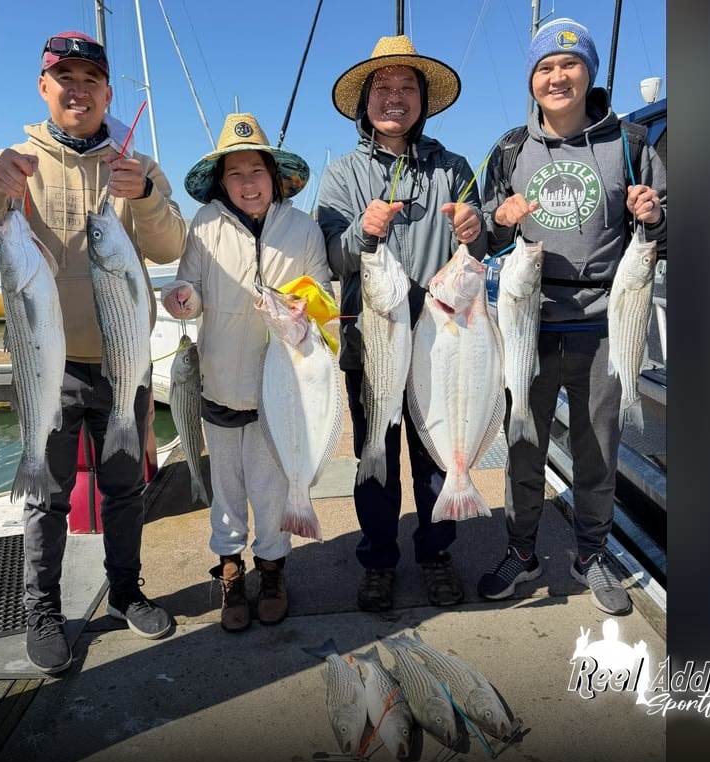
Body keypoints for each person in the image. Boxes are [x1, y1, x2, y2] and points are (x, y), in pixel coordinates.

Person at [0, 31, 187, 673]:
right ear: (44, 89)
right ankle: (41, 610)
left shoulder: (139, 164)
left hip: (124, 364)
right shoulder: (10, 160)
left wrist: (146, 198)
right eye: (63, 78)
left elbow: (168, 246)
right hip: (49, 366)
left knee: (126, 491)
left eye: (90, 80)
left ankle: (126, 590)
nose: (77, 89)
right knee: (46, 495)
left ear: (106, 92)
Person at [476, 18, 666, 615]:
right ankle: (521, 550)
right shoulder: (510, 149)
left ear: (588, 71)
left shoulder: (633, 145)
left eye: (569, 64)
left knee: (598, 447)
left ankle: (592, 553)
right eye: (545, 68)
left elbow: (669, 231)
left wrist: (654, 217)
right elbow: (480, 239)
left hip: (607, 323)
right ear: (531, 79)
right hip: (528, 320)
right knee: (524, 444)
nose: (557, 76)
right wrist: (496, 221)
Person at [316, 35, 487, 612]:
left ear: (423, 100)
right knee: (375, 457)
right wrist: (361, 233)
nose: (394, 98)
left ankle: (437, 552)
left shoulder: (455, 167)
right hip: (375, 345)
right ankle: (378, 559)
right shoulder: (341, 174)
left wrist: (474, 227)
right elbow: (332, 256)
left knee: (438, 453)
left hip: (443, 345)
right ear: (365, 101)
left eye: (406, 87)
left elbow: (482, 238)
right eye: (382, 88)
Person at [160, 113, 332, 632]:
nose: (247, 183)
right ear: (221, 182)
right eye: (234, 174)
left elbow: (324, 293)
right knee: (227, 492)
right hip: (218, 385)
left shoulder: (303, 227)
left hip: (282, 392)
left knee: (272, 489)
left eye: (255, 170)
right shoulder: (205, 226)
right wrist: (181, 300)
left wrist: (306, 305)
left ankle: (273, 570)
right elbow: (186, 290)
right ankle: (231, 572)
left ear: (274, 175)